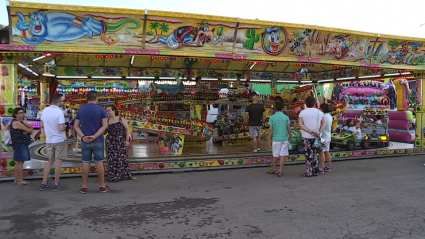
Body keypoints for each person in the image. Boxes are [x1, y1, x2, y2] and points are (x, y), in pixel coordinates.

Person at [74, 91, 110, 194]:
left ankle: (84, 187)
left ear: (87, 98)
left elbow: (76, 126)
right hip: (98, 140)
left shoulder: (81, 110)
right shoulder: (101, 110)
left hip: (85, 141)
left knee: (85, 163)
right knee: (99, 162)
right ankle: (102, 186)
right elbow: (104, 126)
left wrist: (84, 136)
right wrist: (94, 136)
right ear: (96, 98)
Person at [39, 94, 67, 191]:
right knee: (58, 162)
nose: (63, 103)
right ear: (58, 101)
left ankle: (44, 182)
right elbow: (61, 128)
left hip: (49, 140)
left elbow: (42, 124)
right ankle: (56, 184)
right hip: (59, 139)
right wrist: (65, 127)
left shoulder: (45, 110)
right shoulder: (59, 112)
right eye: (62, 101)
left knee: (49, 161)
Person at [105, 105, 136, 181]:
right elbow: (105, 131)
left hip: (120, 141)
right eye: (106, 111)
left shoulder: (121, 119)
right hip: (111, 142)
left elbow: (127, 129)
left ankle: (124, 174)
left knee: (122, 158)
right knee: (112, 159)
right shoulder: (107, 120)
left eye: (109, 110)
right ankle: (113, 175)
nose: (107, 112)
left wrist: (127, 140)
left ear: (114, 110)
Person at [298, 96, 326, 177]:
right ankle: (315, 170)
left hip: (306, 136)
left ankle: (309, 171)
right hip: (316, 136)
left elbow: (301, 124)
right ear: (314, 103)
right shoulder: (319, 112)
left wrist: (310, 131)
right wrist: (319, 131)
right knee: (315, 154)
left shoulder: (302, 112)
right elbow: (324, 123)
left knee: (308, 155)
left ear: (305, 103)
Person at [9, 108, 33, 185]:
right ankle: (20, 180)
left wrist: (28, 129)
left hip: (20, 144)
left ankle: (17, 179)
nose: (22, 114)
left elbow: (30, 129)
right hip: (20, 144)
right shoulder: (17, 122)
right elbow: (29, 130)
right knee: (20, 162)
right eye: (20, 113)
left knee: (19, 162)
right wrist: (28, 129)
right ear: (15, 114)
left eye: (23, 113)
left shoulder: (21, 122)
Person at [268, 101, 291, 177]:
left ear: (275, 108)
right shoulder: (286, 117)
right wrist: (290, 136)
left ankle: (274, 169)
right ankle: (280, 170)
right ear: (283, 108)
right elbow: (288, 128)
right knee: (282, 155)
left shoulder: (272, 117)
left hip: (276, 138)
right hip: (284, 138)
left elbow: (271, 130)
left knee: (275, 155)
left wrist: (270, 139)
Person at [319, 103, 333, 174]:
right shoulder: (330, 116)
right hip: (328, 136)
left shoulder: (322, 116)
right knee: (327, 152)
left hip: (323, 137)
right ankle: (328, 166)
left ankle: (321, 168)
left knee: (321, 153)